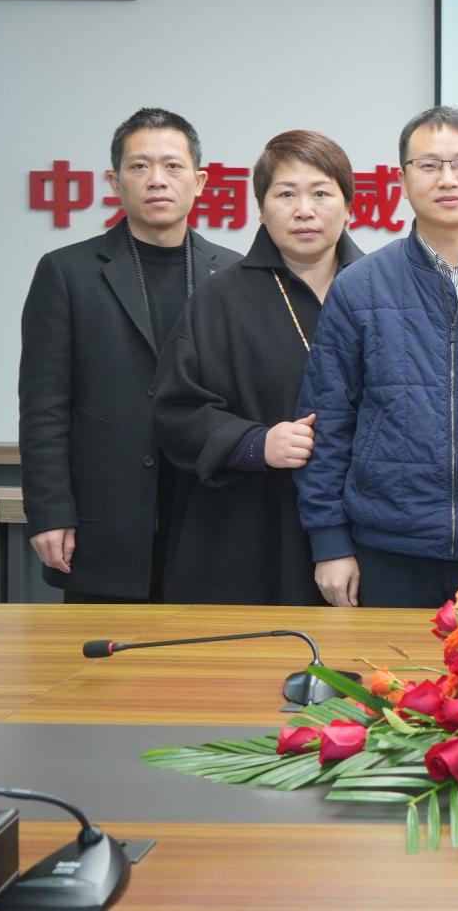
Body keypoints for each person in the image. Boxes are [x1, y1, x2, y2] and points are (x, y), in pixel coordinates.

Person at [295, 106, 458, 608]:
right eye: (429, 165)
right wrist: (329, 542)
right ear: (402, 180)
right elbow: (326, 419)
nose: (448, 179)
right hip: (388, 549)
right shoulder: (360, 286)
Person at [18, 107, 241, 602]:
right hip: (105, 523)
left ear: (200, 180)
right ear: (114, 181)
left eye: (173, 165)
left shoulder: (234, 275)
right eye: (139, 166)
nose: (157, 179)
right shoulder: (67, 272)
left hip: (207, 519)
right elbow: (43, 406)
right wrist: (49, 511)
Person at [153, 130, 364, 604]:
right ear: (262, 209)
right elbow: (176, 411)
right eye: (285, 194)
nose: (304, 210)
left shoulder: (384, 291)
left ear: (349, 206)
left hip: (361, 526)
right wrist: (255, 443)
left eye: (321, 193)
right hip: (248, 527)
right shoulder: (218, 298)